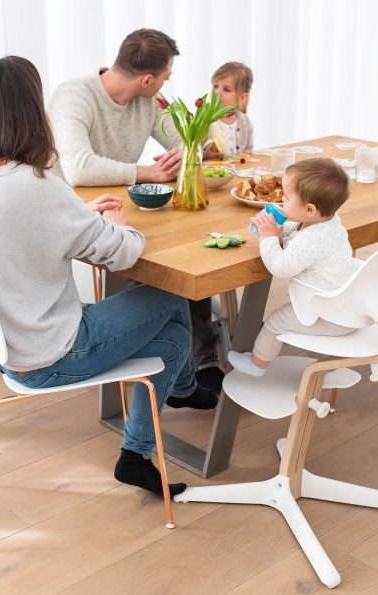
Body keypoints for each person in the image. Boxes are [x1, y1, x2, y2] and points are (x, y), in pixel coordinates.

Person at [0, 56, 218, 499]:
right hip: (54, 351)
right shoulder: (35, 186)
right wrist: (121, 221)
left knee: (172, 343)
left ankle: (136, 455)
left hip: (9, 346)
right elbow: (124, 253)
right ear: (30, 109)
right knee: (171, 298)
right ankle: (185, 389)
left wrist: (76, 217)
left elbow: (20, 230)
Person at [48, 28, 223, 401]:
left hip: (123, 207)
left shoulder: (148, 102)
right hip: (77, 213)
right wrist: (151, 172)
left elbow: (184, 139)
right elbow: (79, 168)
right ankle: (168, 364)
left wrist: (188, 151)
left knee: (194, 250)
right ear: (147, 78)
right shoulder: (74, 96)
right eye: (165, 77)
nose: (165, 84)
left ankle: (192, 363)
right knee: (160, 265)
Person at [228, 158, 356, 376]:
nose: (281, 200)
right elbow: (297, 230)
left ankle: (257, 365)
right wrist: (276, 230)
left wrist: (268, 238)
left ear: (309, 209)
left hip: (330, 314)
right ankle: (330, 367)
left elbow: (281, 266)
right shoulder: (325, 220)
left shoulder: (313, 239)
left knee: (274, 322)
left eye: (286, 198)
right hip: (346, 303)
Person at [203, 62, 254, 160]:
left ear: (243, 97)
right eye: (215, 86)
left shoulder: (245, 122)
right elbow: (192, 151)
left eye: (226, 89)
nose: (217, 92)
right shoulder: (204, 120)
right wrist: (204, 156)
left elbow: (249, 153)